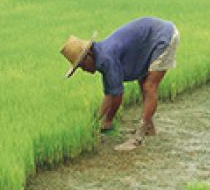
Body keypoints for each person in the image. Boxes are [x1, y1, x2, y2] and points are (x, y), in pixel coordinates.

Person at [60, 17, 179, 151]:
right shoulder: (102, 55)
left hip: (163, 36)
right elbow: (109, 93)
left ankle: (138, 137)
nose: (84, 70)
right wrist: (96, 121)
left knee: (149, 86)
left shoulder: (106, 59)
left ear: (89, 56)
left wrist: (108, 120)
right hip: (149, 38)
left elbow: (117, 96)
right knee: (143, 81)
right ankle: (149, 127)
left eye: (82, 65)